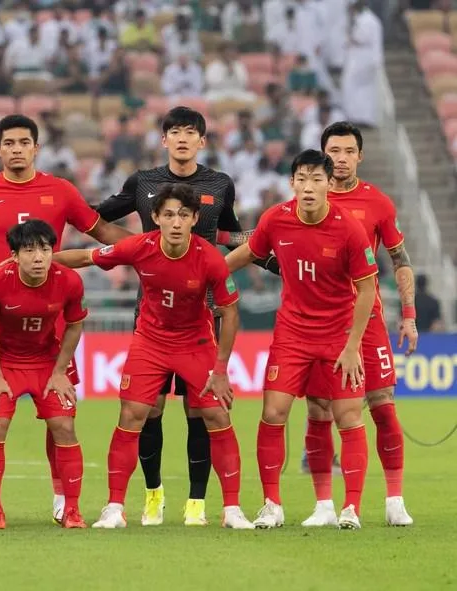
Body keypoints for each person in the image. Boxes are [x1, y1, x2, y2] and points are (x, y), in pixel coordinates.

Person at [0, 114, 132, 525]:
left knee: (58, 415)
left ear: (36, 148)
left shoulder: (60, 191)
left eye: (25, 142)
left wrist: (150, 248)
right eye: (10, 142)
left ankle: (63, 498)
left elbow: (104, 233)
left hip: (50, 320)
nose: (17, 148)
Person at [96, 106, 278, 527]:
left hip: (204, 315)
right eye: (174, 132)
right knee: (150, 411)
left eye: (190, 132)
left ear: (202, 140)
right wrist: (135, 246)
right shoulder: (143, 183)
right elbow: (98, 217)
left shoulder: (220, 184)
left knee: (201, 412)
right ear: (163, 140)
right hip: (153, 314)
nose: (181, 138)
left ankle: (197, 501)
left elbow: (233, 236)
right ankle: (153, 493)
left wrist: (273, 260)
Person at [55, 184, 254, 530]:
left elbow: (230, 313)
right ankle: (114, 507)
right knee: (132, 415)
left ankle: (232, 509)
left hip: (195, 344)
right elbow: (87, 257)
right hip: (150, 343)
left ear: (194, 219)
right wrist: (41, 261)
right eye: (168, 215)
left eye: (183, 215)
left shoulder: (209, 258)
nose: (175, 222)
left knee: (216, 416)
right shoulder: (138, 246)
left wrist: (220, 370)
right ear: (156, 219)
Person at [225, 150, 378, 530]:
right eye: (302, 179)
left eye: (316, 179)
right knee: (273, 412)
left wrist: (353, 346)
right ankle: (272, 505)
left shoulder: (348, 228)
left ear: (329, 184)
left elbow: (367, 290)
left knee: (347, 416)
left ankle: (351, 509)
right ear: (292, 182)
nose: (308, 187)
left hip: (338, 335)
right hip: (292, 334)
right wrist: (204, 272)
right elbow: (249, 252)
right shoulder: (275, 219)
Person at [298, 122, 416, 527]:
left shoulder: (378, 204)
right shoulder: (306, 198)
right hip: (318, 323)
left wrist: (410, 315)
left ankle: (395, 499)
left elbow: (400, 261)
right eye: (334, 151)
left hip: (367, 321)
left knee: (382, 405)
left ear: (360, 156)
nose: (342, 159)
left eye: (349, 151)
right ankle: (324, 506)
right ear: (322, 155)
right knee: (318, 409)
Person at [0, 220, 88, 529]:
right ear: (14, 255)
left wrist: (61, 371)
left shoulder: (69, 282)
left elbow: (74, 325)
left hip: (46, 363)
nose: (38, 257)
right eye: (29, 250)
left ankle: (72, 511)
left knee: (64, 425)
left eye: (45, 249)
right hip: (7, 363)